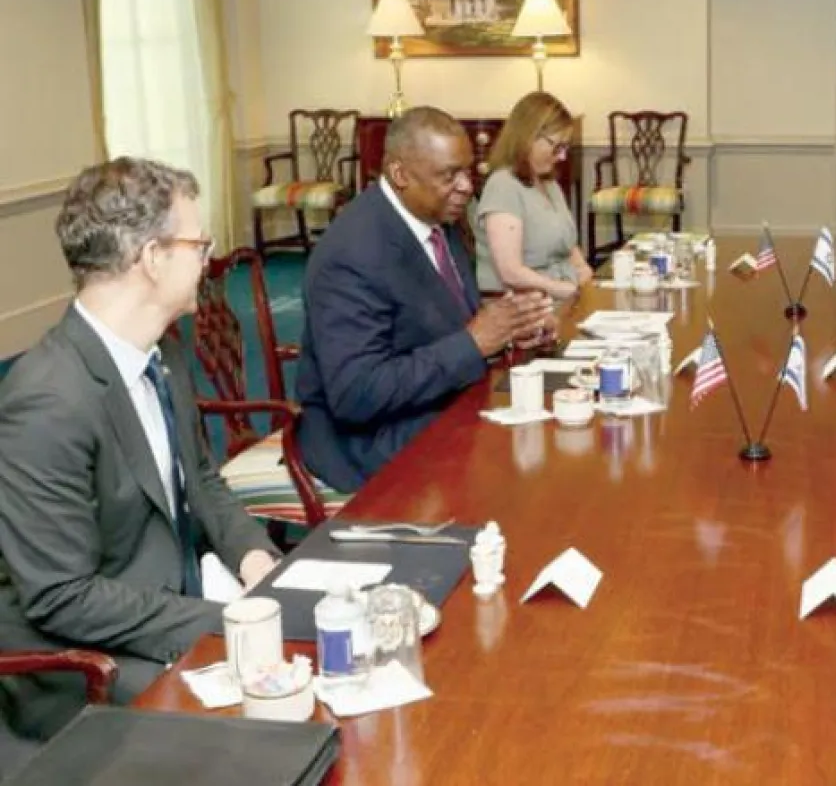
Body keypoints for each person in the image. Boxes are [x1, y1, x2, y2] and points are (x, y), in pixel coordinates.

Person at [0, 157, 280, 740]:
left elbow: (201, 479)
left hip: (161, 601)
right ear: (152, 258)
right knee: (259, 728)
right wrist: (222, 621)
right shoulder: (47, 401)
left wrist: (254, 557)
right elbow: (62, 597)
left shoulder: (160, 351)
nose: (207, 261)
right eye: (199, 245)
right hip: (83, 657)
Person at [297, 107, 557, 492]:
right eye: (449, 175)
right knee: (521, 467)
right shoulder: (353, 253)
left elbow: (442, 320)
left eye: (468, 172)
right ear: (400, 174)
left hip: (441, 401)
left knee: (556, 426)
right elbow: (356, 393)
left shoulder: (437, 218)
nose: (466, 187)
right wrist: (475, 341)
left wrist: (509, 327)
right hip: (372, 438)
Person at [474, 91, 592, 299]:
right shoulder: (503, 186)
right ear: (529, 137)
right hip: (525, 303)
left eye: (565, 147)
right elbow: (511, 273)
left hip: (562, 294)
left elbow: (567, 244)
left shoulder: (549, 184)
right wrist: (560, 289)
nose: (562, 156)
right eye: (557, 146)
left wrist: (583, 270)